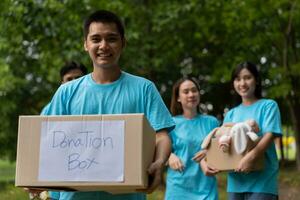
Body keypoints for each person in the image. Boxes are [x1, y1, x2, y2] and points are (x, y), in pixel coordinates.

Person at [41, 10, 175, 200]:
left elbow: (161, 136)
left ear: (123, 43)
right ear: (86, 44)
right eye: (96, 39)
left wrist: (159, 162)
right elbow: (48, 141)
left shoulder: (144, 88)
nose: (103, 46)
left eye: (111, 39)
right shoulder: (66, 92)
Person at [223, 61, 282, 200]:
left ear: (257, 80)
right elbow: (224, 142)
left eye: (247, 77)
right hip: (235, 181)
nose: (242, 83)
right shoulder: (231, 114)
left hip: (263, 181)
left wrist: (250, 157)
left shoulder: (268, 106)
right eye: (237, 79)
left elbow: (270, 135)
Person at [164, 77, 219, 200]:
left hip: (206, 188)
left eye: (194, 90)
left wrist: (208, 152)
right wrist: (169, 156)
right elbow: (157, 150)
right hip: (178, 188)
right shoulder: (170, 123)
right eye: (186, 91)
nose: (191, 94)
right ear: (178, 98)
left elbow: (222, 149)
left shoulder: (212, 122)